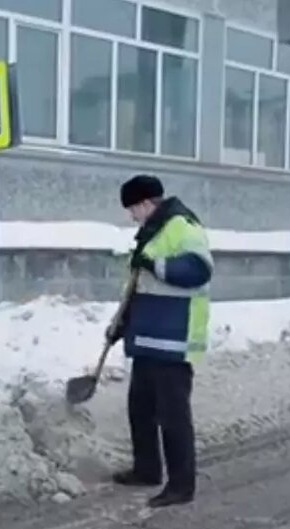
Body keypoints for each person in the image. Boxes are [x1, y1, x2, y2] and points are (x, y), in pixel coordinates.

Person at [105, 175, 213, 508]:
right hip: (149, 338)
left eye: (132, 209)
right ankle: (147, 468)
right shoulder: (153, 231)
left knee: (173, 417)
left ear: (145, 203)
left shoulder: (183, 226)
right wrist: (121, 322)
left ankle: (182, 485)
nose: (131, 216)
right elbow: (142, 285)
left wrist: (153, 262)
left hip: (173, 339)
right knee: (140, 409)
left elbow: (198, 270)